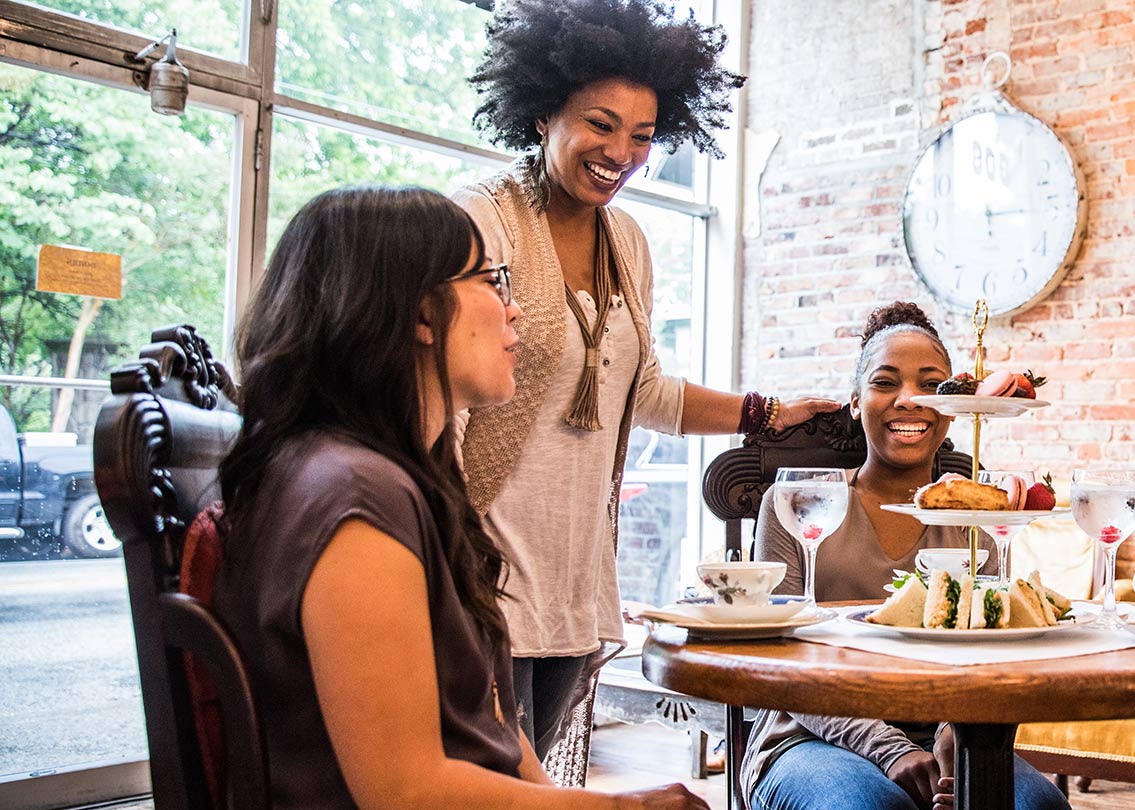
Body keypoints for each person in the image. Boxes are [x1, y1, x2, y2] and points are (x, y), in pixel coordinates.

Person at [217, 185, 705, 809]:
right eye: (493, 280)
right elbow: (406, 791)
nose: (517, 308)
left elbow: (493, 724)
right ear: (421, 313)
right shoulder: (356, 501)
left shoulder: (395, 479)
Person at [457, 0, 839, 758]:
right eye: (600, 124)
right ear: (541, 114)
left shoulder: (626, 241)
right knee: (491, 783)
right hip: (482, 571)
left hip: (573, 578)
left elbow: (644, 392)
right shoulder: (480, 219)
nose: (621, 152)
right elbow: (443, 400)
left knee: (533, 780)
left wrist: (767, 413)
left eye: (642, 136)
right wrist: (440, 554)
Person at [745, 302, 1068, 810]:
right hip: (806, 733)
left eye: (930, 384)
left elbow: (984, 650)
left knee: (1039, 807)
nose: (909, 400)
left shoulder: (975, 516)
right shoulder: (795, 506)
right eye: (885, 382)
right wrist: (889, 750)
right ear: (856, 402)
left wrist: (954, 733)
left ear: (954, 405)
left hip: (947, 738)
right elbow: (781, 657)